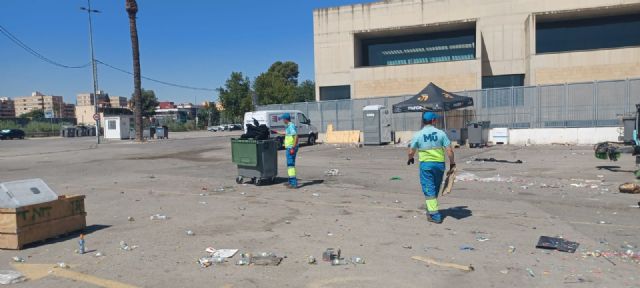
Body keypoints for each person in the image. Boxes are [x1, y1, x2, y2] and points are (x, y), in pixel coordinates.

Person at [407, 112, 455, 224]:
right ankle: (431, 209)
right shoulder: (441, 133)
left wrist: (410, 158)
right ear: (433, 121)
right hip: (439, 165)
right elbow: (449, 151)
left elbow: (411, 151)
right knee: (436, 187)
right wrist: (452, 163)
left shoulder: (418, 135)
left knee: (429, 188)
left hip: (426, 166)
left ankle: (435, 215)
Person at [278, 113, 298, 188]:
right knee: (289, 165)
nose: (283, 120)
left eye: (283, 119)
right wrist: (276, 132)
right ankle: (290, 181)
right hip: (289, 148)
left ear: (286, 119)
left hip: (291, 148)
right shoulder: (289, 126)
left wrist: (293, 147)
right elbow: (285, 133)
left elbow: (296, 136)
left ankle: (293, 183)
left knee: (290, 165)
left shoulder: (291, 126)